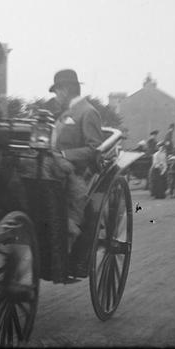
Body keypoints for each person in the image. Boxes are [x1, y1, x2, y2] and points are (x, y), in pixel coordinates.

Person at [46, 69, 105, 253]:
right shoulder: (65, 114)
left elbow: (95, 148)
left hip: (76, 173)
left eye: (56, 91)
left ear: (65, 90)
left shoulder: (88, 112)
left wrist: (64, 155)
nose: (55, 96)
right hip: (56, 166)